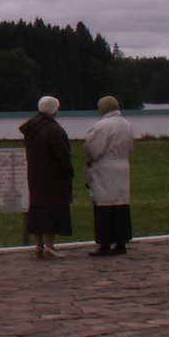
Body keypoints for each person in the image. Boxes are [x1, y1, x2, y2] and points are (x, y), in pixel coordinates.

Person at [20, 95, 73, 259]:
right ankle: (49, 246)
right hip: (53, 176)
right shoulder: (54, 130)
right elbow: (62, 155)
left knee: (37, 208)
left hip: (35, 174)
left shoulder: (31, 127)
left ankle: (38, 245)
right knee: (52, 210)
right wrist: (69, 171)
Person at [83, 95, 135, 256]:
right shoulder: (126, 124)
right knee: (121, 204)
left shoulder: (102, 126)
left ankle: (105, 242)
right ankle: (121, 241)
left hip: (105, 167)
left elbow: (93, 148)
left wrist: (91, 159)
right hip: (122, 165)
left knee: (104, 205)